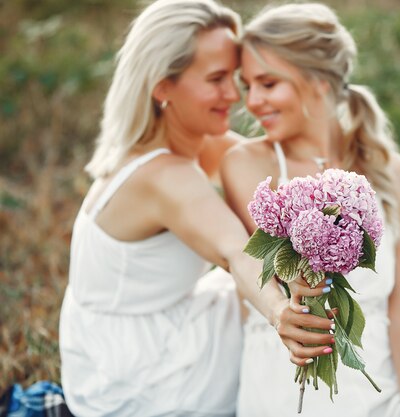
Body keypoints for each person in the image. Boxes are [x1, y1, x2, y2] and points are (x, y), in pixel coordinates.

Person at [57, 1, 333, 416]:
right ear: (163, 86)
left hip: (128, 341)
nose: (235, 95)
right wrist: (278, 312)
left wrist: (387, 246)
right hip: (134, 378)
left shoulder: (186, 139)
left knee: (348, 284)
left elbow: (299, 180)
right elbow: (235, 249)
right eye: (217, 79)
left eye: (234, 78)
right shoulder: (163, 177)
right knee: (324, 303)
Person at [219, 3, 400, 416]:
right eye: (247, 86)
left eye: (268, 83)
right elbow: (287, 279)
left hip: (387, 369)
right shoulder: (248, 165)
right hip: (292, 379)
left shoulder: (397, 175)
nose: (252, 102)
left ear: (319, 80)